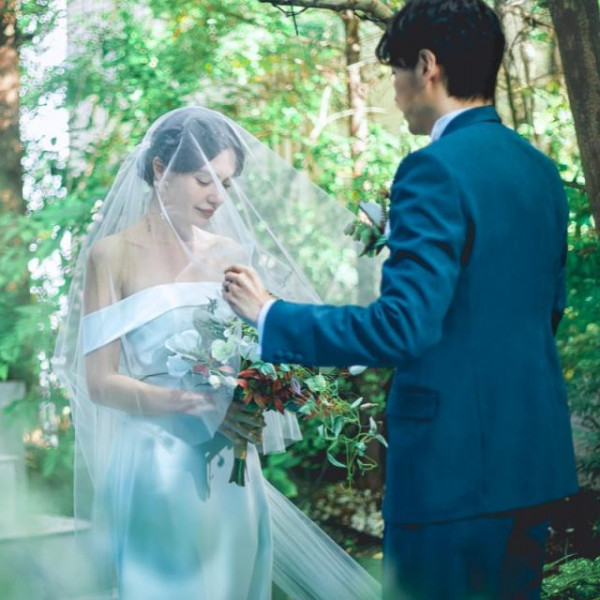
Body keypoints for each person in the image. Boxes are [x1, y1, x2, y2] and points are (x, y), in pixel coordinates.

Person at [223, 1, 579, 598]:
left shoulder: (432, 170)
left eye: (394, 72)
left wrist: (270, 315)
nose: (394, 90)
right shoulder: (539, 171)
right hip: (531, 461)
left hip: (450, 472)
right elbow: (546, 312)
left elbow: (403, 327)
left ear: (427, 66)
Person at [53, 107, 380, 599]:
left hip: (228, 460)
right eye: (204, 180)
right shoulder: (111, 255)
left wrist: (263, 389)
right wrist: (193, 405)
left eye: (225, 183)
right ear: (161, 170)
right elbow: (99, 382)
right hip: (153, 461)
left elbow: (258, 347)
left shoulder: (230, 254)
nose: (217, 197)